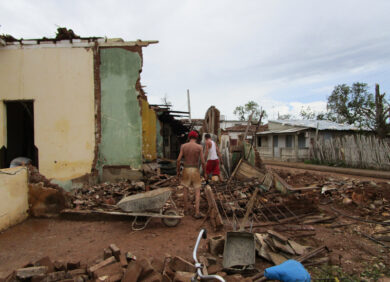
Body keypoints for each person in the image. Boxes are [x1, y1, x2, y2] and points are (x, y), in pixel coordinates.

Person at [176, 130, 206, 219]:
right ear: (196, 138)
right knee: (197, 191)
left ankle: (186, 210)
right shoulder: (199, 147)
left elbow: (178, 160)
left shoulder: (183, 146)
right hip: (195, 169)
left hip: (186, 169)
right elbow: (203, 162)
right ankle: (197, 212)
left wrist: (178, 171)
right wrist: (205, 173)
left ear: (189, 137)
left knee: (185, 190)